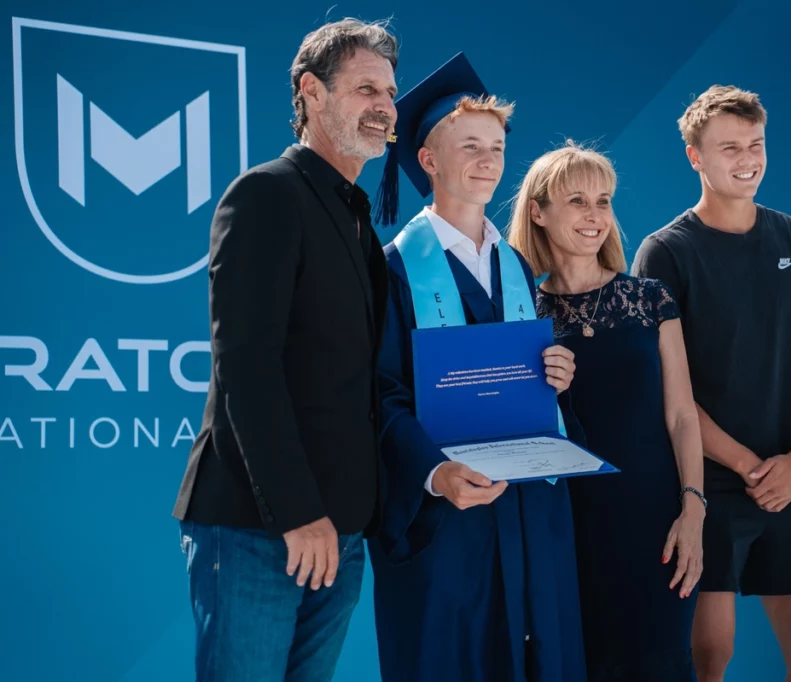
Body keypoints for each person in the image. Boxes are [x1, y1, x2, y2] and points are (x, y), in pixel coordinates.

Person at [170, 18, 397, 682]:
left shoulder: (356, 219)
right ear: (312, 92)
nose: (385, 106)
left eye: (389, 92)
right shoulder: (267, 194)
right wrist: (299, 514)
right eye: (365, 89)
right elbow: (246, 367)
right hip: (261, 529)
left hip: (341, 532)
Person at [367, 53, 587, 682]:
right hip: (447, 514)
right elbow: (379, 393)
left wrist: (555, 376)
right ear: (428, 160)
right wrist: (435, 474)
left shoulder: (516, 266)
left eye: (496, 147)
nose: (489, 160)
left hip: (529, 512)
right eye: (470, 146)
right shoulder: (392, 268)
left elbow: (527, 388)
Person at [631, 85, 791, 682]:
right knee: (708, 657)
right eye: (730, 148)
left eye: (756, 144)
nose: (747, 159)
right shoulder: (665, 252)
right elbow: (667, 388)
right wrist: (749, 466)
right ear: (695, 156)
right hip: (706, 487)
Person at [507, 141, 705, 681]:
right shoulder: (520, 313)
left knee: (663, 664)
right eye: (577, 201)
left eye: (603, 201)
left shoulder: (651, 298)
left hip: (656, 523)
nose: (594, 215)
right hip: (565, 528)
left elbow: (682, 416)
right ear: (538, 212)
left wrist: (694, 510)